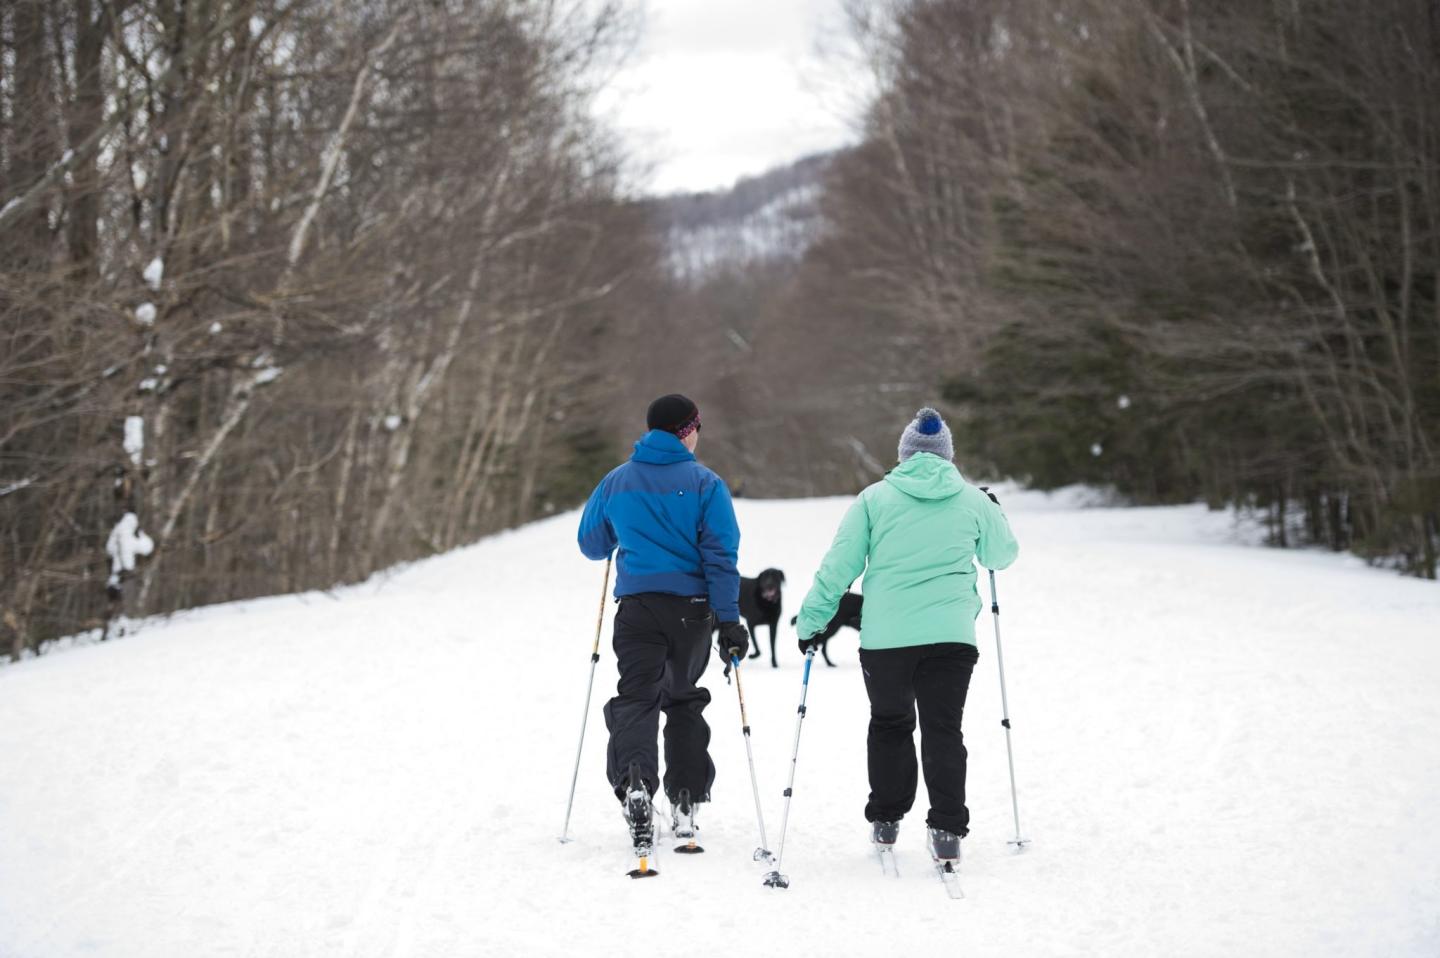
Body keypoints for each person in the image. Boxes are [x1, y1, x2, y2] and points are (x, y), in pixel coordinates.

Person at [794, 407, 1018, 865]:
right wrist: (994, 512)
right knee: (943, 730)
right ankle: (947, 830)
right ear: (947, 456)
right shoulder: (972, 500)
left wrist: (811, 620)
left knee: (890, 724)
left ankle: (886, 819)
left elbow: (839, 567)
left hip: (887, 639)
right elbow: (1001, 555)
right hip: (951, 638)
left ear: (904, 454)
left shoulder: (874, 500)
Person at [577, 394, 750, 858]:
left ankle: (635, 781)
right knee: (683, 699)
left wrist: (625, 531)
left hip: (636, 608)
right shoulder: (705, 484)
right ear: (687, 430)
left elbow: (592, 544)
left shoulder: (617, 481)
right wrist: (730, 619)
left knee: (637, 697)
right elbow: (721, 555)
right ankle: (686, 796)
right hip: (691, 611)